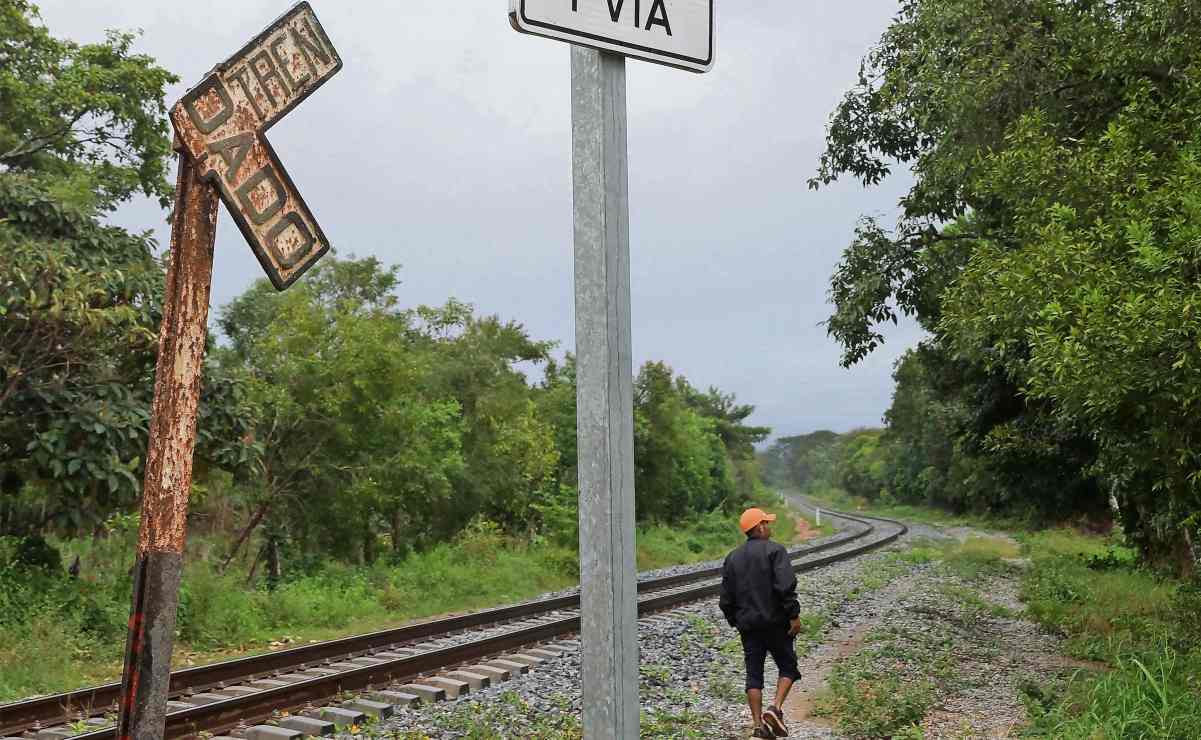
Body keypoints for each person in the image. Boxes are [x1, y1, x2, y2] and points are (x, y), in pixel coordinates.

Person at [719, 507, 801, 738]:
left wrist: (737, 621)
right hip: (776, 623)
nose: (769, 527)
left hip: (749, 627)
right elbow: (785, 586)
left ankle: (758, 725)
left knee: (754, 675)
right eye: (767, 522)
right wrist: (793, 616)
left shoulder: (732, 557)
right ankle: (775, 709)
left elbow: (726, 599)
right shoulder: (775, 551)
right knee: (788, 666)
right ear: (759, 527)